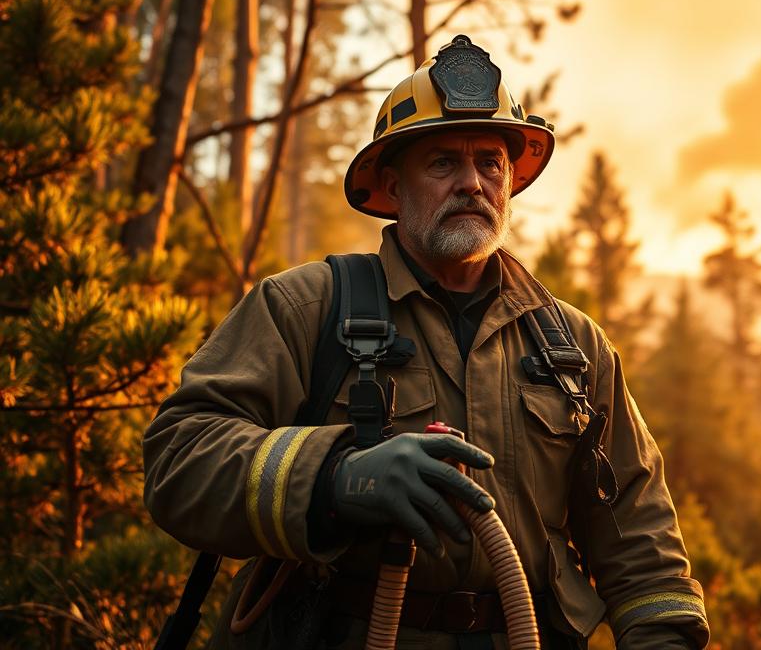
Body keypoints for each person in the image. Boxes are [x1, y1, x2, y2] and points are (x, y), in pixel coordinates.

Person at [143, 35, 709, 650]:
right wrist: (338, 477)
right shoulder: (304, 309)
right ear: (393, 184)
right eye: (442, 163)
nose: (471, 183)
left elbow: (638, 529)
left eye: (489, 163)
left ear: (510, 181)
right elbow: (180, 459)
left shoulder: (573, 347)